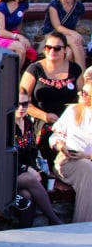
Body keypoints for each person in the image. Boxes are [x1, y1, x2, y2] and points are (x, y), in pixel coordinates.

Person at [20, 30, 82, 163]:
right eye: (48, 47)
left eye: (57, 48)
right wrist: (44, 116)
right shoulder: (35, 69)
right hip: (42, 118)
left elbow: (81, 98)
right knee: (49, 131)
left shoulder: (75, 69)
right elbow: (22, 100)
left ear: (65, 50)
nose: (52, 51)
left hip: (67, 119)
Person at [13, 88, 62, 227]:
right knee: (30, 179)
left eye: (25, 104)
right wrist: (27, 169)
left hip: (22, 174)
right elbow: (2, 158)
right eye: (18, 104)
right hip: (6, 173)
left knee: (26, 196)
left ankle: (25, 231)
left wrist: (34, 168)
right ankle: (54, 220)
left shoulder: (27, 122)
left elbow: (31, 151)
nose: (21, 108)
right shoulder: (3, 124)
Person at [49, 82, 92, 222]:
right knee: (87, 168)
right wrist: (60, 145)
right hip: (68, 161)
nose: (79, 94)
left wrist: (87, 156)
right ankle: (83, 223)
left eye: (84, 93)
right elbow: (55, 136)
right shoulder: (73, 110)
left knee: (86, 164)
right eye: (81, 91)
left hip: (87, 160)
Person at [42, 0, 86, 69]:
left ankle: (72, 79)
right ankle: (83, 76)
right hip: (51, 35)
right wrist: (73, 33)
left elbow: (75, 24)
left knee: (69, 53)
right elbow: (57, 27)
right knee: (74, 40)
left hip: (67, 37)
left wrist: (75, 33)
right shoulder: (54, 4)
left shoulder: (78, 6)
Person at [0, 0, 37, 67]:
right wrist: (19, 37)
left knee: (26, 48)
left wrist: (20, 37)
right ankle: (14, 77)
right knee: (20, 48)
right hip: (0, 36)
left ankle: (19, 74)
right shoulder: (2, 6)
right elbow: (1, 31)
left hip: (14, 35)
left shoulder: (23, 5)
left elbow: (19, 24)